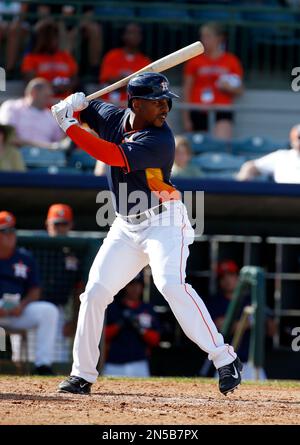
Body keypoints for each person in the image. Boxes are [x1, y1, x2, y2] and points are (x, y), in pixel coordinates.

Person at [51, 71, 242, 396]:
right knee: (95, 292)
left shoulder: (161, 139)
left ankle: (225, 359)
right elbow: (85, 107)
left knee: (170, 284)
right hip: (126, 226)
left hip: (164, 222)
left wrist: (69, 125)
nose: (164, 108)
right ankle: (82, 375)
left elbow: (108, 154)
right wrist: (75, 103)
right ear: (136, 104)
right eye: (156, 102)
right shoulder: (112, 117)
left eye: (166, 101)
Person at [0, 211, 59, 375]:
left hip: (18, 310)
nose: (10, 235)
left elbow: (35, 289)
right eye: (4, 231)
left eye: (12, 231)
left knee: (48, 310)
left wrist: (23, 304)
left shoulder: (24, 257)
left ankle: (43, 365)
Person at [207, 260, 274, 380]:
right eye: (223, 277)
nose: (227, 280)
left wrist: (264, 320)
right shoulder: (214, 303)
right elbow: (221, 327)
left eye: (231, 275)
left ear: (237, 277)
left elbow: (272, 330)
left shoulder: (251, 300)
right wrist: (250, 321)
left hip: (250, 363)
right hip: (225, 363)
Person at [183, 22, 243, 140]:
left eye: (208, 36)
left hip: (222, 110)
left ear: (219, 38)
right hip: (198, 109)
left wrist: (228, 87)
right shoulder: (194, 61)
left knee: (220, 144)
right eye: (202, 36)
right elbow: (187, 89)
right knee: (199, 146)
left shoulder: (231, 60)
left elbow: (239, 90)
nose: (204, 40)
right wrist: (186, 118)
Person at [42, 204, 84, 362]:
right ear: (48, 224)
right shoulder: (35, 250)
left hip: (60, 310)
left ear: (71, 225)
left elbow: (78, 290)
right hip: (34, 309)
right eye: (56, 224)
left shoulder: (74, 253)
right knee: (26, 358)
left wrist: (73, 320)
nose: (60, 228)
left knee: (58, 358)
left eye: (63, 224)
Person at [103, 272, 160, 377]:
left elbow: (155, 340)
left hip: (139, 363)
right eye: (131, 284)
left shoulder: (147, 309)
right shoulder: (113, 307)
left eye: (138, 285)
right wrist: (119, 324)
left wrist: (139, 328)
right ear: (125, 286)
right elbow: (102, 336)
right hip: (114, 363)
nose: (135, 288)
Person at [0, 78, 65, 150]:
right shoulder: (11, 107)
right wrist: (47, 146)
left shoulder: (51, 115)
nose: (49, 99)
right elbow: (8, 137)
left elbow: (60, 143)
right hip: (17, 155)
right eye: (46, 96)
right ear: (33, 93)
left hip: (46, 158)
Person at [21, 19, 78, 100]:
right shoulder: (30, 58)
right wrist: (51, 87)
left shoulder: (65, 57)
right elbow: (31, 82)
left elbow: (75, 79)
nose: (56, 40)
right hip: (42, 106)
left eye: (56, 36)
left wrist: (65, 86)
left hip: (66, 105)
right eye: (52, 36)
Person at [99, 23, 151, 105]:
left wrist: (123, 81)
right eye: (131, 33)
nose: (134, 36)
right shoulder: (112, 55)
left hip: (134, 106)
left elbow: (146, 87)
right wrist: (133, 84)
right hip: (111, 104)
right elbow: (108, 80)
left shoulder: (145, 61)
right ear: (123, 36)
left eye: (137, 33)